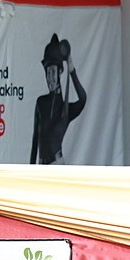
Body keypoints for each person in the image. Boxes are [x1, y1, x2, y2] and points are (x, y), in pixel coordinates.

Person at [30, 33, 87, 165]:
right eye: (47, 72)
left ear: (60, 72)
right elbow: (35, 140)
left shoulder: (65, 109)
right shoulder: (41, 103)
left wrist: (72, 70)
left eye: (53, 72)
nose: (50, 77)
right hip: (40, 167)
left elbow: (83, 100)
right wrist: (30, 169)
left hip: (57, 164)